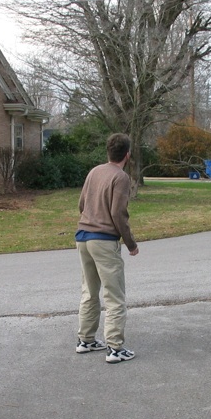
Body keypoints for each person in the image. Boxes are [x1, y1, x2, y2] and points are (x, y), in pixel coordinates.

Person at [75, 133, 139, 363]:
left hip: (83, 238)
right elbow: (118, 214)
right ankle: (115, 348)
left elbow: (82, 204)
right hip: (103, 240)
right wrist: (130, 243)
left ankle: (86, 340)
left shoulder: (95, 172)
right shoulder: (120, 177)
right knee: (114, 295)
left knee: (89, 291)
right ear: (127, 155)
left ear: (108, 152)